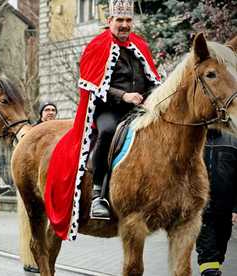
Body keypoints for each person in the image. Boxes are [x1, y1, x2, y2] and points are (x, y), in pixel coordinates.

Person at [85, 0, 161, 220]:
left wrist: (151, 97)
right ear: (110, 21)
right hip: (109, 109)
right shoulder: (97, 46)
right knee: (108, 131)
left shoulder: (140, 46)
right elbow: (91, 85)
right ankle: (98, 194)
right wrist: (124, 95)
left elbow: (152, 79)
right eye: (119, 20)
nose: (124, 25)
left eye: (128, 20)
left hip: (139, 109)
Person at [196, 129, 237, 276]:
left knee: (219, 250)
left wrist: (235, 209)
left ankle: (214, 269)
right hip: (201, 210)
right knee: (208, 255)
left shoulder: (233, 140)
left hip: (225, 210)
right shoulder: (194, 139)